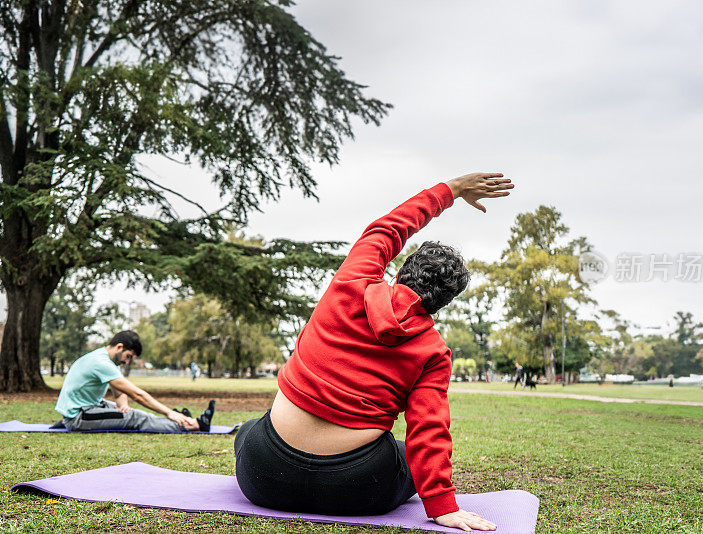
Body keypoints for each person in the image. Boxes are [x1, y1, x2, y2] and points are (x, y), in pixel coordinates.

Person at [235, 173, 512, 532]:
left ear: (398, 271)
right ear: (442, 304)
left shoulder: (351, 282)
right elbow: (428, 430)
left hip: (264, 475)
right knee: (404, 455)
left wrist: (453, 191)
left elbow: (388, 228)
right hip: (358, 488)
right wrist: (442, 505)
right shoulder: (433, 352)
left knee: (249, 430)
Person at [54, 330, 216, 432]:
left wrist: (123, 405)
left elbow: (120, 393)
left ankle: (183, 419)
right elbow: (137, 395)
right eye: (128, 356)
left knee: (130, 412)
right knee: (136, 417)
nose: (127, 362)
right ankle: (190, 424)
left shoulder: (103, 358)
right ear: (119, 347)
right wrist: (168, 412)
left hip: (86, 407)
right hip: (78, 417)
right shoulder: (102, 364)